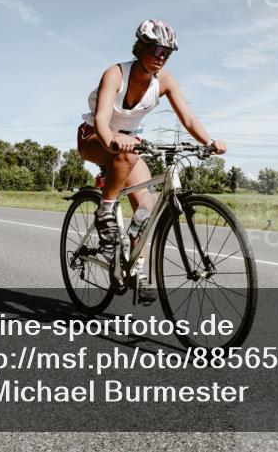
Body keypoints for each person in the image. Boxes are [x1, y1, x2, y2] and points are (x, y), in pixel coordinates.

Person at [77, 19, 227, 301]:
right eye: (156, 50)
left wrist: (208, 141)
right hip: (95, 138)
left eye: (166, 53)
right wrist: (112, 139)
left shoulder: (165, 81)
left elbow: (189, 118)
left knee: (147, 206)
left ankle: (139, 270)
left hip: (131, 145)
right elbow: (100, 118)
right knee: (126, 152)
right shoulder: (115, 73)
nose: (161, 58)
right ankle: (105, 210)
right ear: (141, 47)